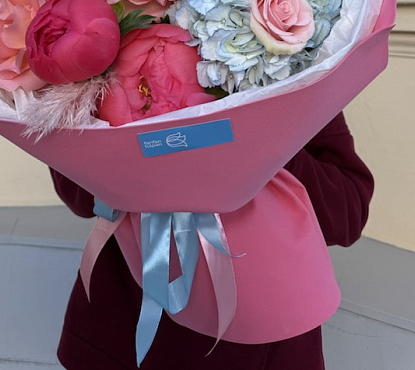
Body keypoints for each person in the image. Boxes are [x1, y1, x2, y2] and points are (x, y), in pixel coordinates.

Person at [50, 111, 373, 370]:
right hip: (119, 325)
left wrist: (262, 130)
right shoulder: (111, 63)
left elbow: (347, 215)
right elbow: (78, 195)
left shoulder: (295, 71)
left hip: (254, 340)